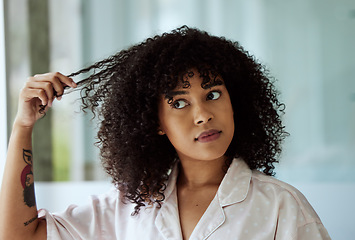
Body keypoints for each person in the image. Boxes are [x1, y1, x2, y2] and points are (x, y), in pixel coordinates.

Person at [0, 26, 331, 240]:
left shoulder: (281, 207)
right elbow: (19, 236)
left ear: (235, 102)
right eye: (179, 103)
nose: (203, 115)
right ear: (154, 121)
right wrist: (22, 127)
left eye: (213, 94)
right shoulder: (130, 206)